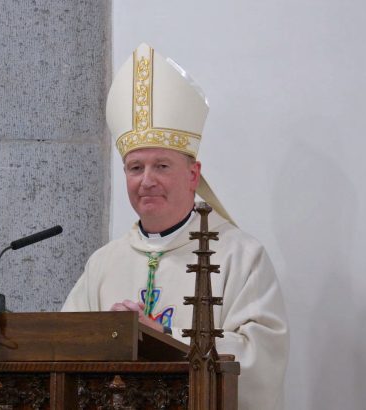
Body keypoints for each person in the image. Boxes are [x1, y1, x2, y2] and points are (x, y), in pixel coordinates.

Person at [62, 43, 289, 410]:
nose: (146, 180)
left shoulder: (241, 257)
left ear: (193, 174)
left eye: (162, 166)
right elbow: (64, 351)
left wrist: (165, 338)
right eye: (136, 168)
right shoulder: (103, 264)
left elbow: (260, 365)